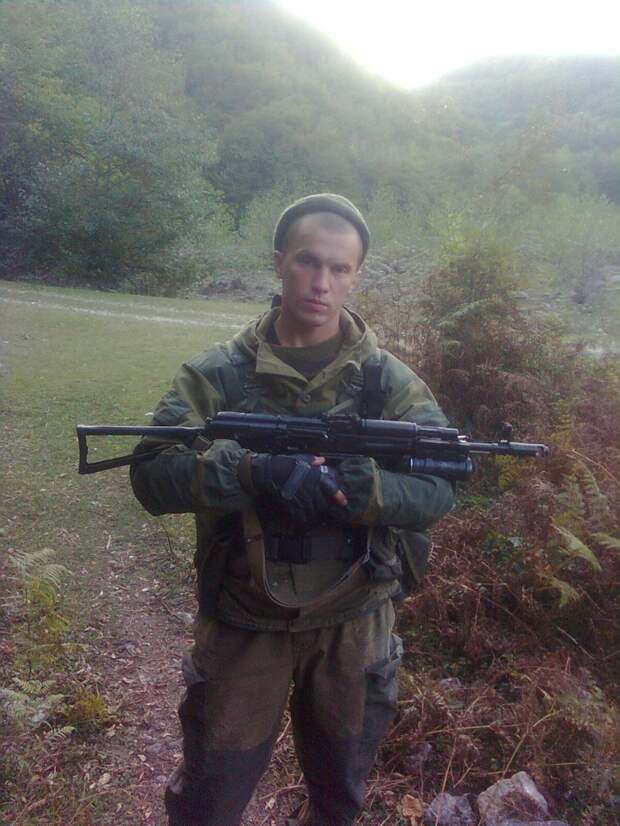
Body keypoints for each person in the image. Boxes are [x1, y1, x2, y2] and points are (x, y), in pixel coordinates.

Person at [130, 194, 454, 826]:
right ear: (279, 262)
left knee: (338, 798)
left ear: (355, 276)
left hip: (354, 624)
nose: (321, 282)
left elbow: (440, 488)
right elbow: (150, 476)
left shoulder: (390, 383)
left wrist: (363, 490)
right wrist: (249, 471)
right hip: (243, 622)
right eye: (308, 262)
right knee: (209, 800)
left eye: (339, 268)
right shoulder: (217, 375)